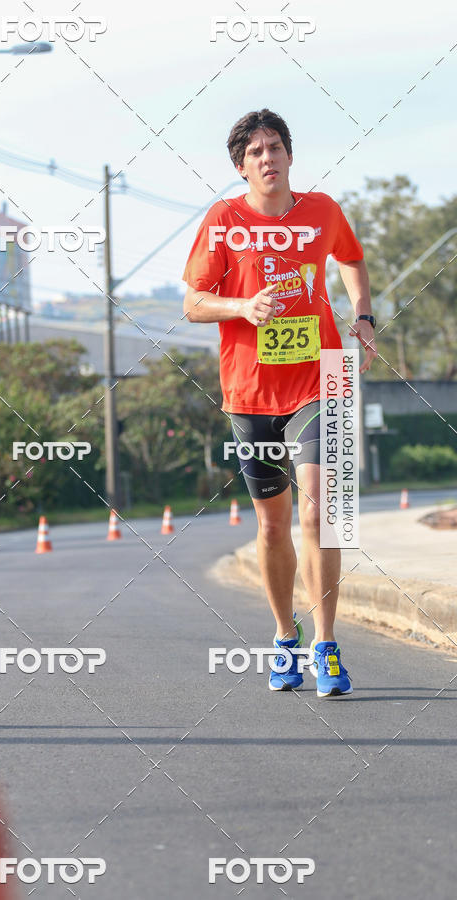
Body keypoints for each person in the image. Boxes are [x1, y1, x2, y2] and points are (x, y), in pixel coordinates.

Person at [182, 109, 377, 697]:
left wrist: (363, 316)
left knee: (320, 514)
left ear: (290, 156)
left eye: (275, 147)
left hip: (322, 378)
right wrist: (242, 307)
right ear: (241, 167)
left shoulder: (322, 211)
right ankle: (285, 637)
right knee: (273, 526)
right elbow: (193, 303)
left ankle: (326, 644)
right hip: (250, 391)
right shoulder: (224, 221)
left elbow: (351, 257)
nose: (267, 157)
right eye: (255, 151)